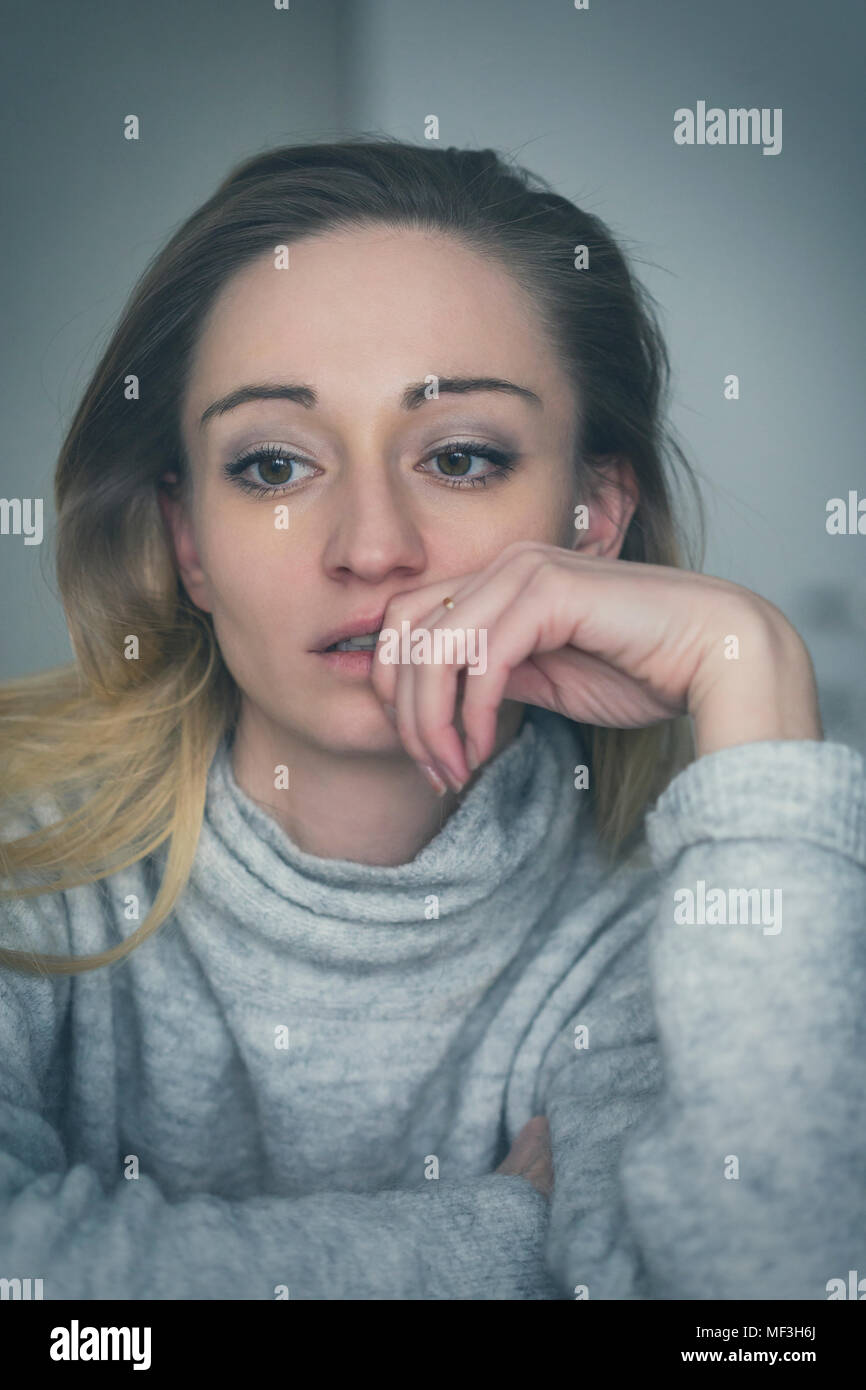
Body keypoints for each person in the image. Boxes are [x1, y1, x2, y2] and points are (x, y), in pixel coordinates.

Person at [0, 137, 862, 1301]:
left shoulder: (691, 939)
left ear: (591, 521)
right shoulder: (21, 854)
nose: (369, 547)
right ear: (188, 542)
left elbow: (767, 1321)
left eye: (458, 456)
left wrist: (750, 663)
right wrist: (494, 1238)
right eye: (269, 466)